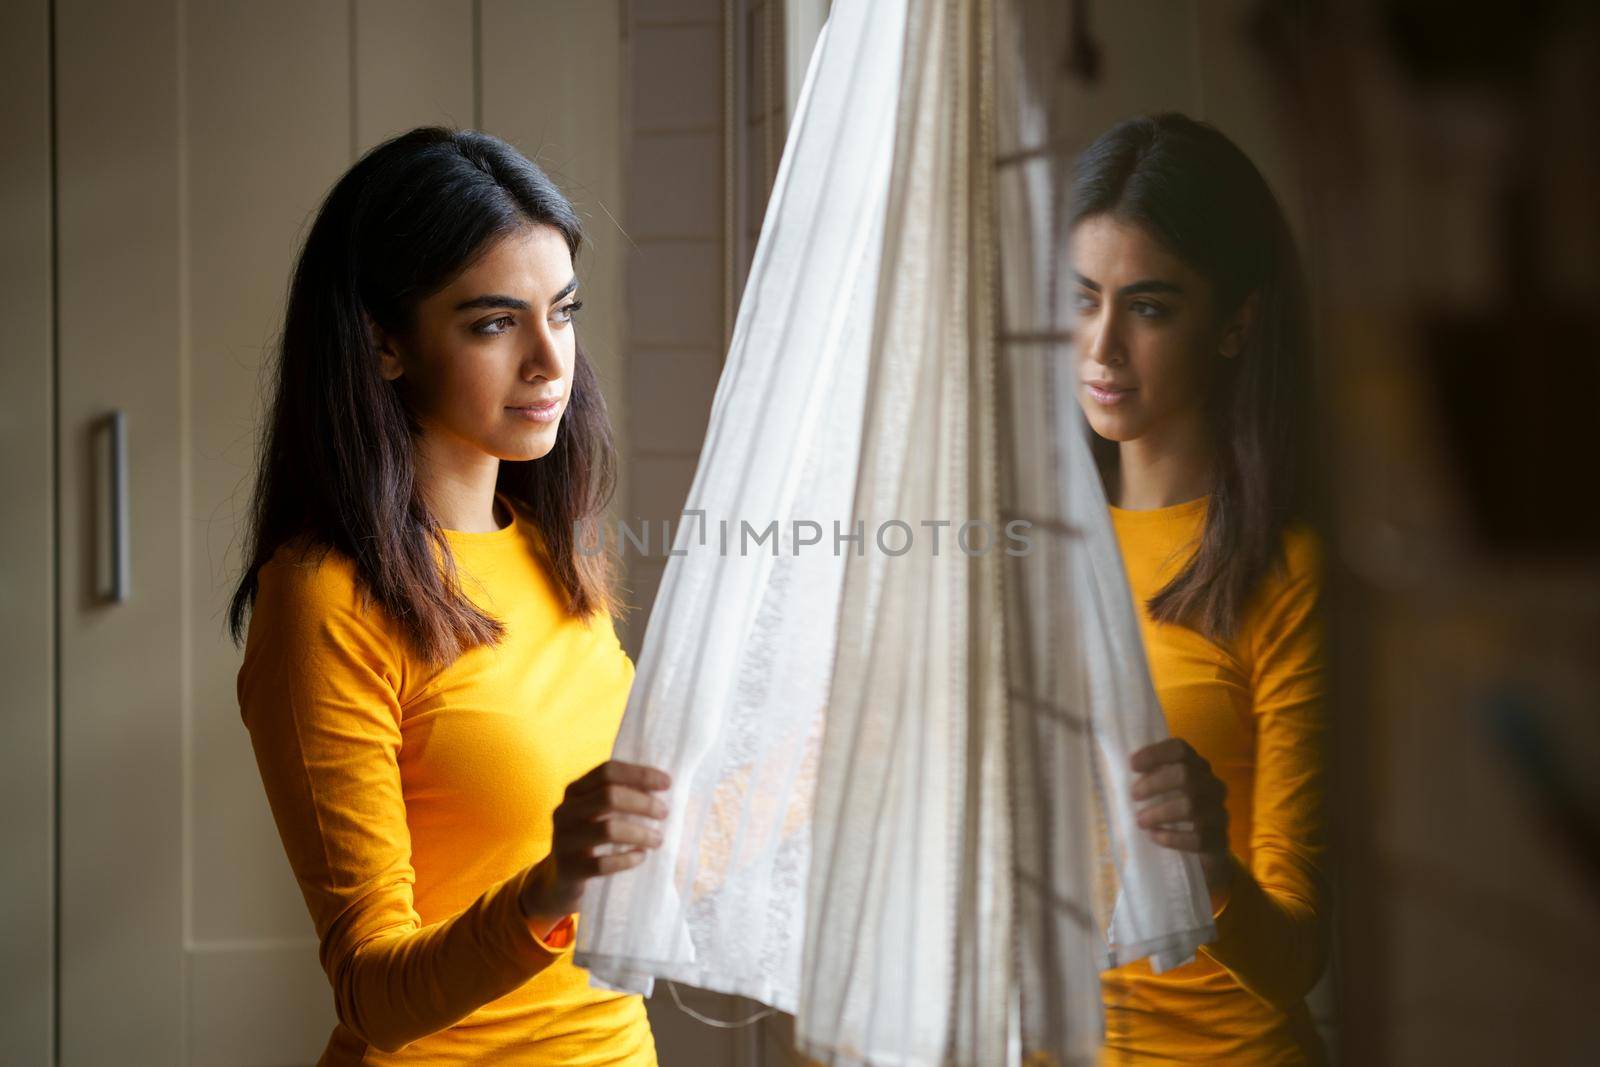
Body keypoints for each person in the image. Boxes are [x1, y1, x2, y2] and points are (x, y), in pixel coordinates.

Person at [228, 127, 670, 1065]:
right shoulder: (323, 598)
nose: (552, 360)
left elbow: (649, 855)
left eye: (565, 309)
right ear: (387, 345)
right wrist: (550, 886)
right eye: (495, 322)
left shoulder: (557, 548)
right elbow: (373, 992)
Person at [1068, 113, 1330, 1065]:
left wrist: (1210, 865)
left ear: (1234, 324)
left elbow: (1298, 953)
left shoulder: (1282, 570)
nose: (1101, 346)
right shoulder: (1031, 548)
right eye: (1082, 298)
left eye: (1148, 307)